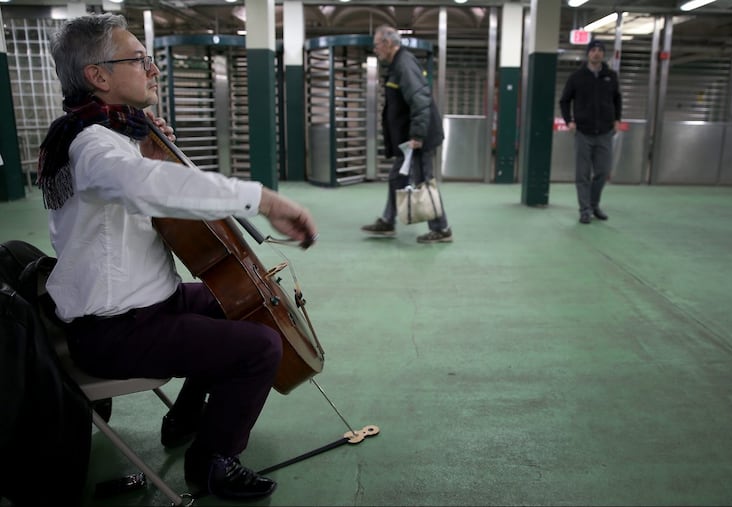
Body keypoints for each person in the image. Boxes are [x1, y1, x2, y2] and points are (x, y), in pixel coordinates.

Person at [37, 13, 317, 502]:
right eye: (139, 59)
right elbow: (151, 186)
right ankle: (211, 463)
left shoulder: (111, 132)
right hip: (114, 327)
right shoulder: (93, 145)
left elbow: (148, 183)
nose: (153, 69)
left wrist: (146, 142)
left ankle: (185, 417)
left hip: (143, 304)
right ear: (98, 77)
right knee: (259, 349)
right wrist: (265, 200)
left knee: (229, 304)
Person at [361, 25, 452, 243]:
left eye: (376, 45)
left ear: (388, 43)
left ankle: (441, 229)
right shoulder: (397, 64)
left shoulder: (404, 64)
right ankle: (387, 221)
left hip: (417, 139)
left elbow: (420, 101)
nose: (375, 49)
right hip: (409, 140)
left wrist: (418, 136)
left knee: (423, 179)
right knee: (397, 178)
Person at [559, 39, 622, 224]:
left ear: (604, 54)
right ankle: (585, 209)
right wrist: (569, 121)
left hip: (605, 132)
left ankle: (594, 204)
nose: (596, 53)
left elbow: (617, 99)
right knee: (583, 174)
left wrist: (617, 119)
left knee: (603, 171)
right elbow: (564, 101)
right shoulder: (577, 77)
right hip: (583, 133)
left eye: (600, 50)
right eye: (593, 50)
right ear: (588, 53)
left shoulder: (611, 76)